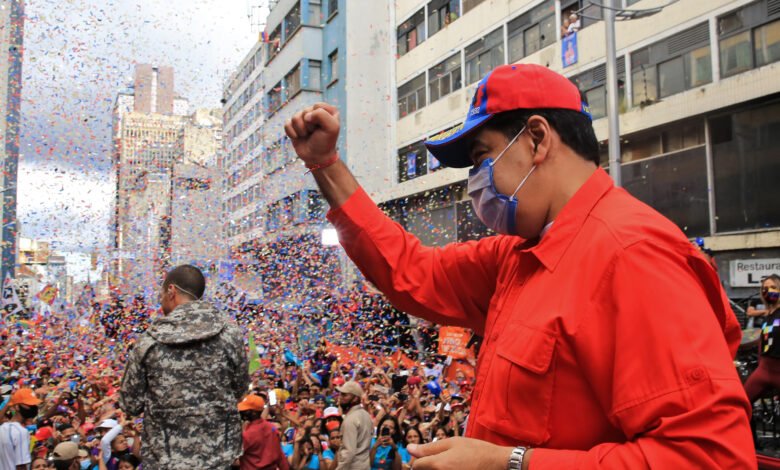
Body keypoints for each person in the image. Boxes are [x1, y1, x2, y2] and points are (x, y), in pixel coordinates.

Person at [283, 63, 754, 469]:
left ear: (536, 138)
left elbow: (709, 457)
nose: (475, 182)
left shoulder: (633, 257)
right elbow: (410, 271)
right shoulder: (519, 255)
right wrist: (326, 165)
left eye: (481, 157)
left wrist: (510, 462)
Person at [119, 264, 250, 469]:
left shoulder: (148, 342)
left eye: (161, 294)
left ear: (171, 291)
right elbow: (240, 391)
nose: (161, 299)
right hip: (219, 460)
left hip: (164, 461)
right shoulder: (231, 336)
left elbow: (130, 404)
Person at [744, 274, 780, 402]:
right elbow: (762, 343)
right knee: (742, 404)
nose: (768, 291)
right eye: (765, 288)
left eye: (773, 287)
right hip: (764, 370)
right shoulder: (768, 315)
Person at [237, 394, 289, 470]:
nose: (242, 411)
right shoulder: (271, 427)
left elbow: (232, 457)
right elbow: (280, 454)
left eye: (245, 410)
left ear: (254, 412)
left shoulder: (248, 434)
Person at [333, 381, 371, 470]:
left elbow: (348, 452)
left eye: (345, 395)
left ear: (355, 398)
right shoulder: (365, 414)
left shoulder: (350, 419)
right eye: (340, 394)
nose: (340, 397)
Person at [0, 388, 41, 470]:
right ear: (17, 407)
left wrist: (8, 404)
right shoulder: (21, 432)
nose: (32, 408)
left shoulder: (2, 428)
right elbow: (21, 466)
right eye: (29, 405)